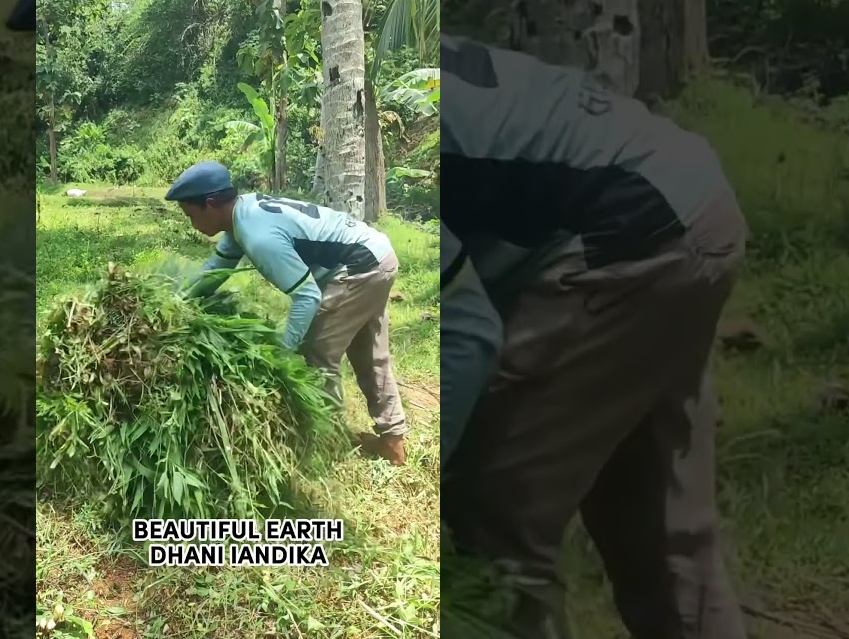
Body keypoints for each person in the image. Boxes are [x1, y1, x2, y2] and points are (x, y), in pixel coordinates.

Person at [439, 34, 749, 639]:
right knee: (662, 533)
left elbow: (468, 332)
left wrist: (422, 472)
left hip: (627, 226)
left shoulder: (396, 149)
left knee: (495, 519)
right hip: (690, 192)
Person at [166, 162, 410, 466]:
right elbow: (215, 270)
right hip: (377, 252)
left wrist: (284, 352)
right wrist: (174, 301)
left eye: (191, 215)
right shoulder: (244, 212)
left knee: (315, 354)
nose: (192, 225)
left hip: (359, 266)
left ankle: (327, 444)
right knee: (368, 350)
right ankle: (392, 440)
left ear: (211, 204)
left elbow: (307, 296)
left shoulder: (259, 237)